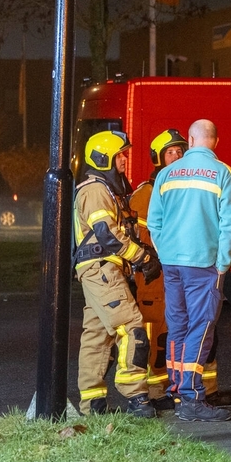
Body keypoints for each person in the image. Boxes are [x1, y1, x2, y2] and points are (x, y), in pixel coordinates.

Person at [148, 119, 231, 422]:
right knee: (201, 328)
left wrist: (166, 252)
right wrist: (223, 262)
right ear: (216, 140)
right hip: (203, 263)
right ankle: (191, 397)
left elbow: (154, 223)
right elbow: (230, 225)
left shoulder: (166, 174)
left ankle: (178, 391)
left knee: (177, 326)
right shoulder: (223, 173)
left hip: (172, 262)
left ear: (189, 140)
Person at [72, 130, 160, 418]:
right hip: (102, 268)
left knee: (97, 337)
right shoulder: (95, 190)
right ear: (103, 158)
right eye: (120, 154)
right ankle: (136, 396)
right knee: (132, 327)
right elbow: (107, 236)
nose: (124, 159)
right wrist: (143, 256)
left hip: (100, 269)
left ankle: (93, 404)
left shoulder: (102, 188)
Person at [129, 128, 188, 411]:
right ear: (158, 159)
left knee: (176, 334)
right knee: (152, 335)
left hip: (178, 271)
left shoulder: (188, 188)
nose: (176, 157)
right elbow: (138, 237)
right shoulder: (146, 193)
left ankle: (178, 389)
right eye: (170, 153)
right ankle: (152, 392)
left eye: (180, 151)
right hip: (152, 275)